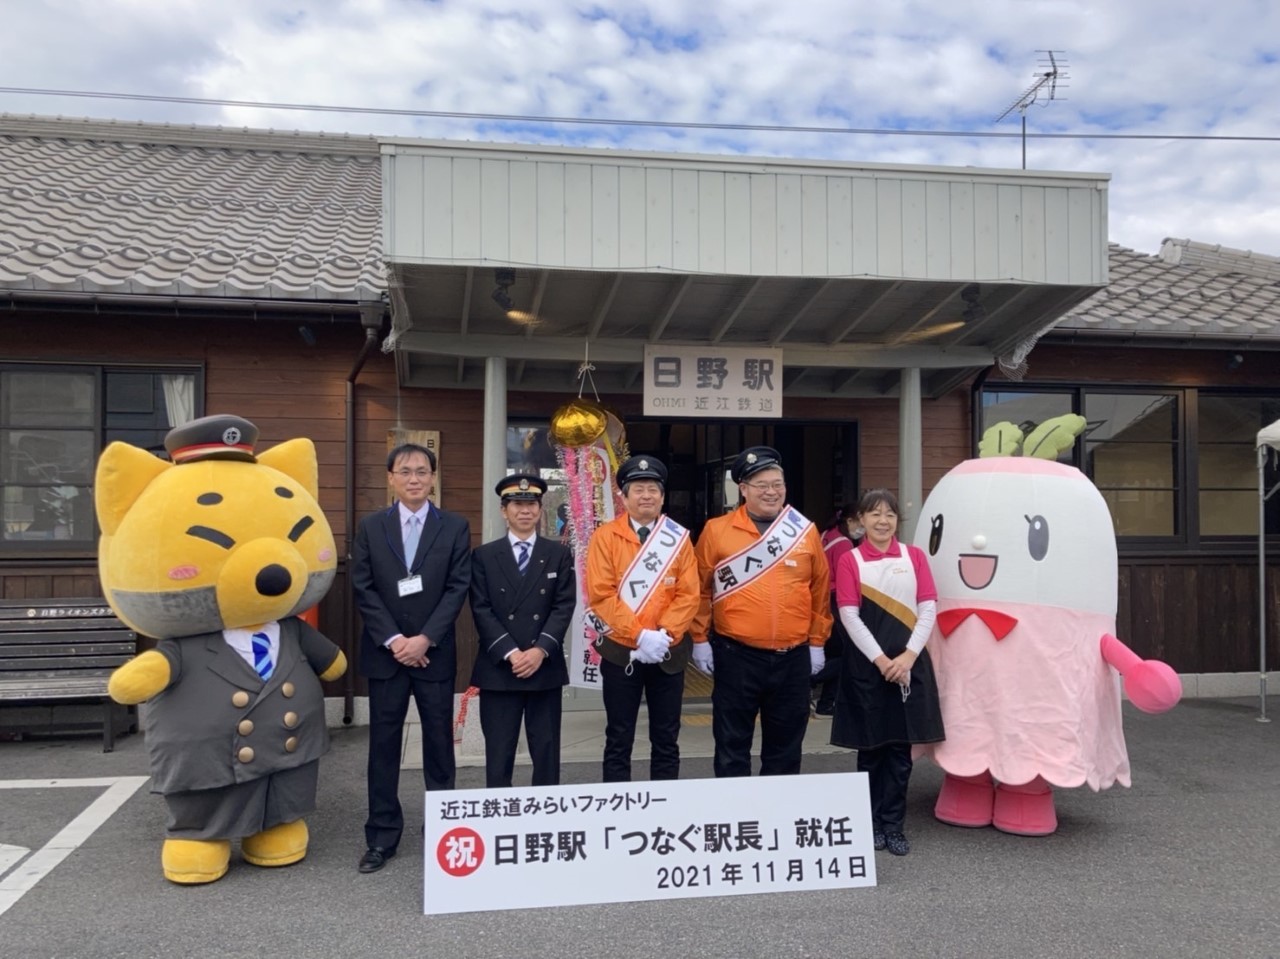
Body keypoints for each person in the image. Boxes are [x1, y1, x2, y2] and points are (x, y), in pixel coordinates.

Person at [351, 443, 471, 874]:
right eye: (405, 471)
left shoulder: (454, 526)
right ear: (391, 478)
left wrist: (424, 640)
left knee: (439, 746)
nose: (415, 478)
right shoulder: (371, 526)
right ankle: (382, 837)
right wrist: (395, 640)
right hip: (386, 657)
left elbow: (458, 586)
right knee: (383, 748)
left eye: (422, 471)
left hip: (433, 655)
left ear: (434, 478)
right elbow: (363, 587)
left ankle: (444, 833)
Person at [691, 446, 832, 777]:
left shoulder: (803, 530)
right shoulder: (717, 530)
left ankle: (776, 820)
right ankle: (735, 818)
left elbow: (819, 590)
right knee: (731, 745)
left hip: (793, 657)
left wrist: (817, 641)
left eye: (777, 484)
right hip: (736, 655)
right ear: (743, 489)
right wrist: (698, 637)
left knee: (786, 747)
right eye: (761, 485)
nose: (771, 492)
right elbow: (700, 588)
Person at [831, 488, 944, 857]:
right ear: (860, 520)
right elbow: (848, 614)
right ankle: (870, 823)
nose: (883, 521)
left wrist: (908, 657)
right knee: (870, 750)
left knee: (899, 752)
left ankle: (893, 825)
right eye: (874, 514)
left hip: (909, 668)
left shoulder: (914, 557)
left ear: (898, 521)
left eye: (890, 514)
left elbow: (928, 608)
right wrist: (882, 661)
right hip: (868, 669)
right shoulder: (850, 560)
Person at [585, 455, 700, 782]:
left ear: (663, 497)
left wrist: (664, 634)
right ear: (624, 497)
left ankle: (665, 803)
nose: (646, 495)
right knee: (619, 735)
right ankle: (617, 805)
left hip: (670, 650)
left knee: (667, 736)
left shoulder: (677, 538)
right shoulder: (605, 537)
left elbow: (689, 594)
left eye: (653, 489)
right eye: (638, 489)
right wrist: (640, 636)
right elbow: (602, 595)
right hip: (622, 652)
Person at [468, 473, 575, 788]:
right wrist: (513, 653)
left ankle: (545, 820)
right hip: (500, 668)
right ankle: (500, 820)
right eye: (517, 504)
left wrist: (539, 650)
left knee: (546, 752)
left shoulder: (558, 554)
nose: (524, 510)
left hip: (544, 666)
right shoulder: (484, 556)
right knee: (499, 754)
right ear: (504, 511)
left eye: (531, 504)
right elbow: (481, 608)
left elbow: (563, 606)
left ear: (541, 510)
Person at [812, 505, 860, 717]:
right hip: (835, 600)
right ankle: (812, 684)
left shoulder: (826, 535)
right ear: (850, 521)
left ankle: (827, 703)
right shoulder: (844, 545)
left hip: (820, 599)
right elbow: (846, 579)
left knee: (834, 652)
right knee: (845, 655)